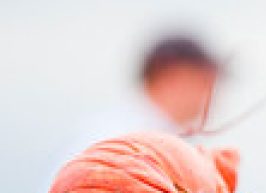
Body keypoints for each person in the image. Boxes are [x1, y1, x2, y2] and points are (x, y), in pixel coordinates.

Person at [73, 34, 221, 146]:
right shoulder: (115, 136)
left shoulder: (110, 126)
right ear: (173, 80)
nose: (211, 96)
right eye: (205, 84)